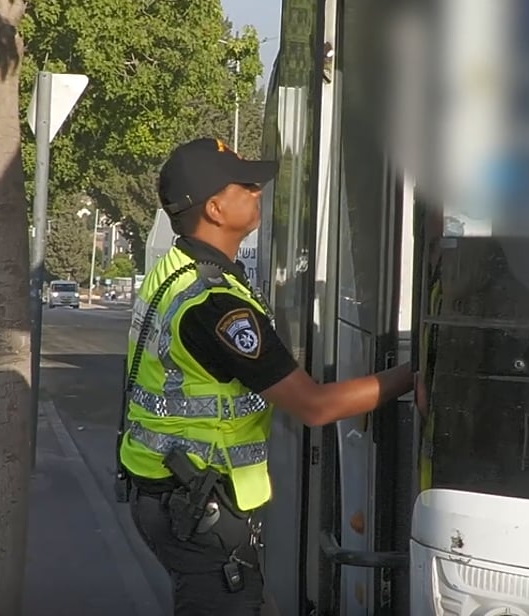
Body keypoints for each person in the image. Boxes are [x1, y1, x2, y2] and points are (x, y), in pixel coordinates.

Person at [119, 137, 416, 615]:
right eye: (245, 185)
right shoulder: (217, 304)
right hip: (197, 506)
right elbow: (313, 405)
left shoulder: (174, 273)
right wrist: (414, 376)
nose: (258, 191)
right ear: (215, 208)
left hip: (165, 491)